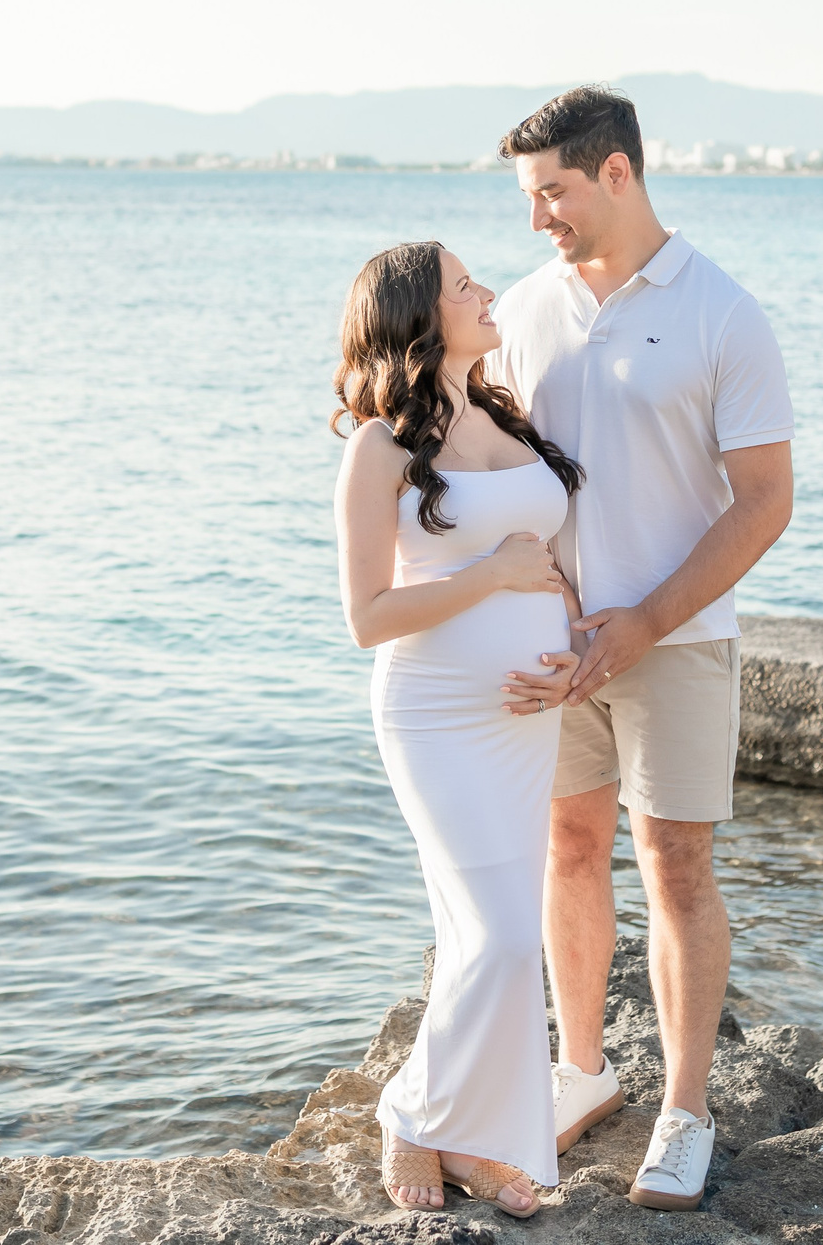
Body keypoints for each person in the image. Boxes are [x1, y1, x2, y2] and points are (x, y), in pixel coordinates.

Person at [487, 87, 795, 1212]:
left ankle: (684, 1107)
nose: (539, 220)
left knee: (675, 866)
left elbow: (764, 503)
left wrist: (645, 622)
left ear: (616, 172)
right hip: (551, 639)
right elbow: (497, 471)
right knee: (568, 848)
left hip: (676, 641)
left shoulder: (722, 311)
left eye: (552, 193)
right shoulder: (522, 308)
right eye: (528, 199)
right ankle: (582, 1070)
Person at [332, 241, 588, 1217]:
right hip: (434, 713)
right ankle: (411, 1109)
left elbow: (548, 559)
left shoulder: (504, 410)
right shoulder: (379, 446)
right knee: (497, 933)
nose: (487, 293)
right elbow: (366, 617)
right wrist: (489, 578)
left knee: (486, 931)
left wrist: (570, 650)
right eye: (464, 285)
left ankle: (475, 1138)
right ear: (420, 317)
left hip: (524, 713)